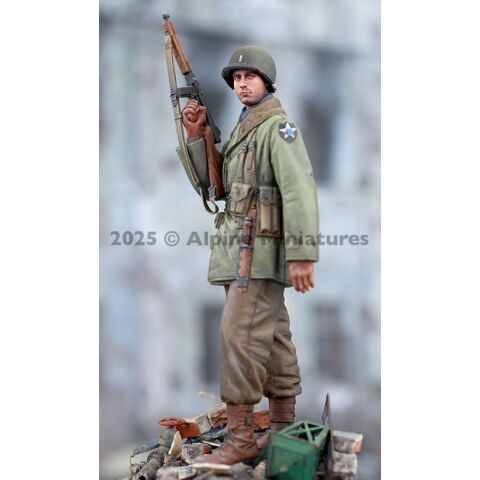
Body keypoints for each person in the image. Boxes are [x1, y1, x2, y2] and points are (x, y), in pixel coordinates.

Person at [178, 45, 319, 464]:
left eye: (250, 77)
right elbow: (218, 187)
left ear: (266, 82)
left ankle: (240, 439)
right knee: (273, 338)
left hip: (257, 252)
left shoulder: (278, 128)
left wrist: (302, 254)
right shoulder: (246, 127)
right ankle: (280, 431)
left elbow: (298, 190)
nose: (242, 84)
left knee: (237, 337)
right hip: (241, 250)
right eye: (236, 79)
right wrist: (198, 136)